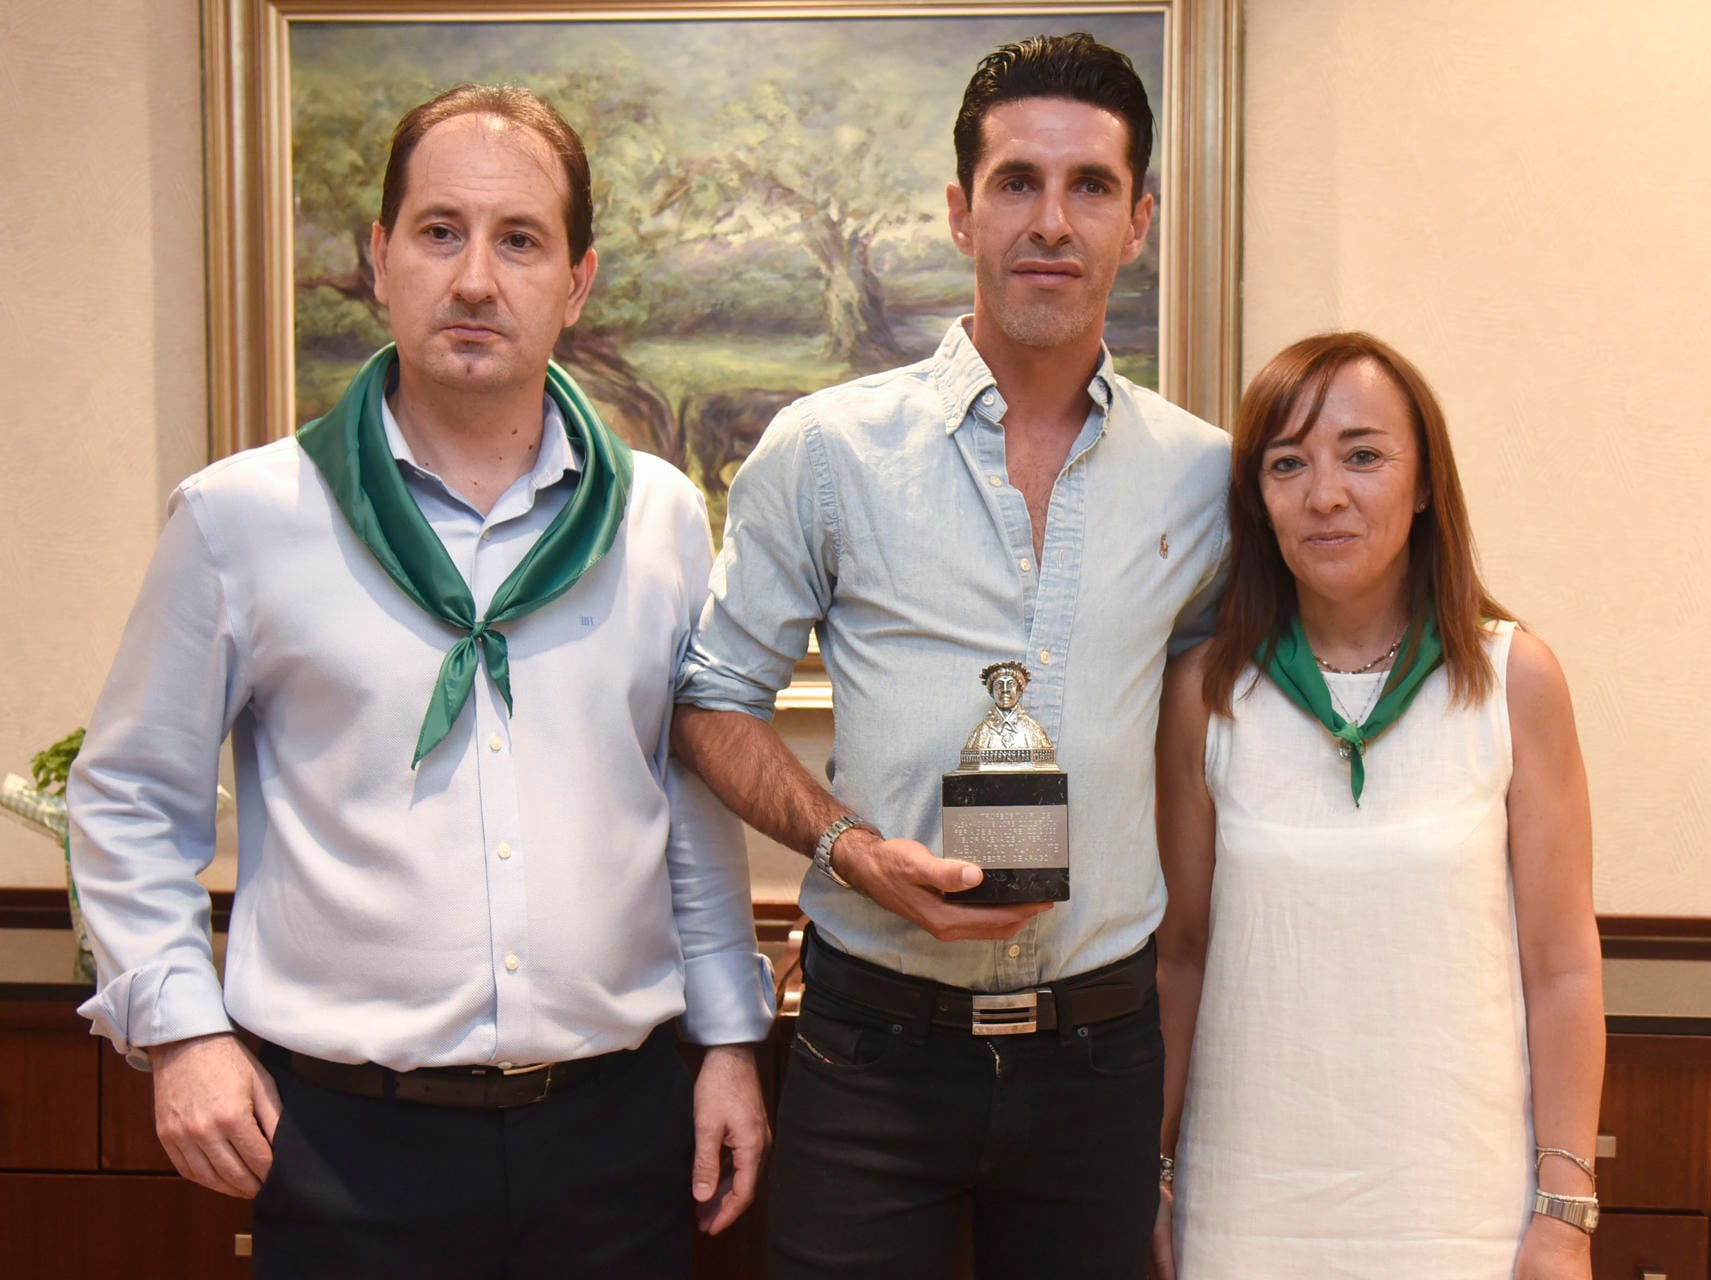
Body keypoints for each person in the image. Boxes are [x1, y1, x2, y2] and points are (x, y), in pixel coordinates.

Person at [67, 84, 774, 1279]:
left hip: (614, 1134)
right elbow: (131, 795)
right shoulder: (243, 518)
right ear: (382, 257)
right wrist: (181, 1027)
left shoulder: (656, 515)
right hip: (347, 1144)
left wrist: (729, 1042)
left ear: (578, 281)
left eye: (520, 240)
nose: (477, 279)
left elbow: (685, 797)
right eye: (440, 231)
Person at [672, 32, 1229, 1280]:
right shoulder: (824, 450)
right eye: (1016, 181)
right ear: (957, 210)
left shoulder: (1206, 477)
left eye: (1090, 186)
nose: (1051, 220)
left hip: (1102, 1052)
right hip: (872, 1049)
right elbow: (711, 700)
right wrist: (846, 845)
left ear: (1137, 220)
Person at [1151, 331, 1605, 1279]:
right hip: (1247, 1206)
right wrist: (1151, 1171)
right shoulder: (1207, 692)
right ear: (1256, 499)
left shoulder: (1513, 680)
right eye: (1288, 464)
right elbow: (1182, 955)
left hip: (1460, 1209)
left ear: (1426, 480)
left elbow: (1562, 968)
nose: (1325, 494)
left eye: (1363, 455)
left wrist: (1563, 1215)